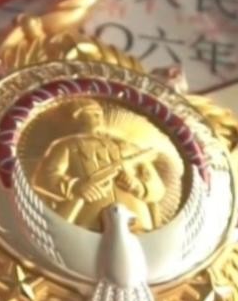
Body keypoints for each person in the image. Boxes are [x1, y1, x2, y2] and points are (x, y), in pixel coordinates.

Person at [34, 98, 167, 230]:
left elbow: (158, 187)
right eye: (91, 113)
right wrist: (75, 187)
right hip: (86, 228)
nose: (99, 117)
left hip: (138, 225)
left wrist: (139, 187)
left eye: (99, 113)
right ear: (76, 117)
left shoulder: (129, 147)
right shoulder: (66, 146)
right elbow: (44, 177)